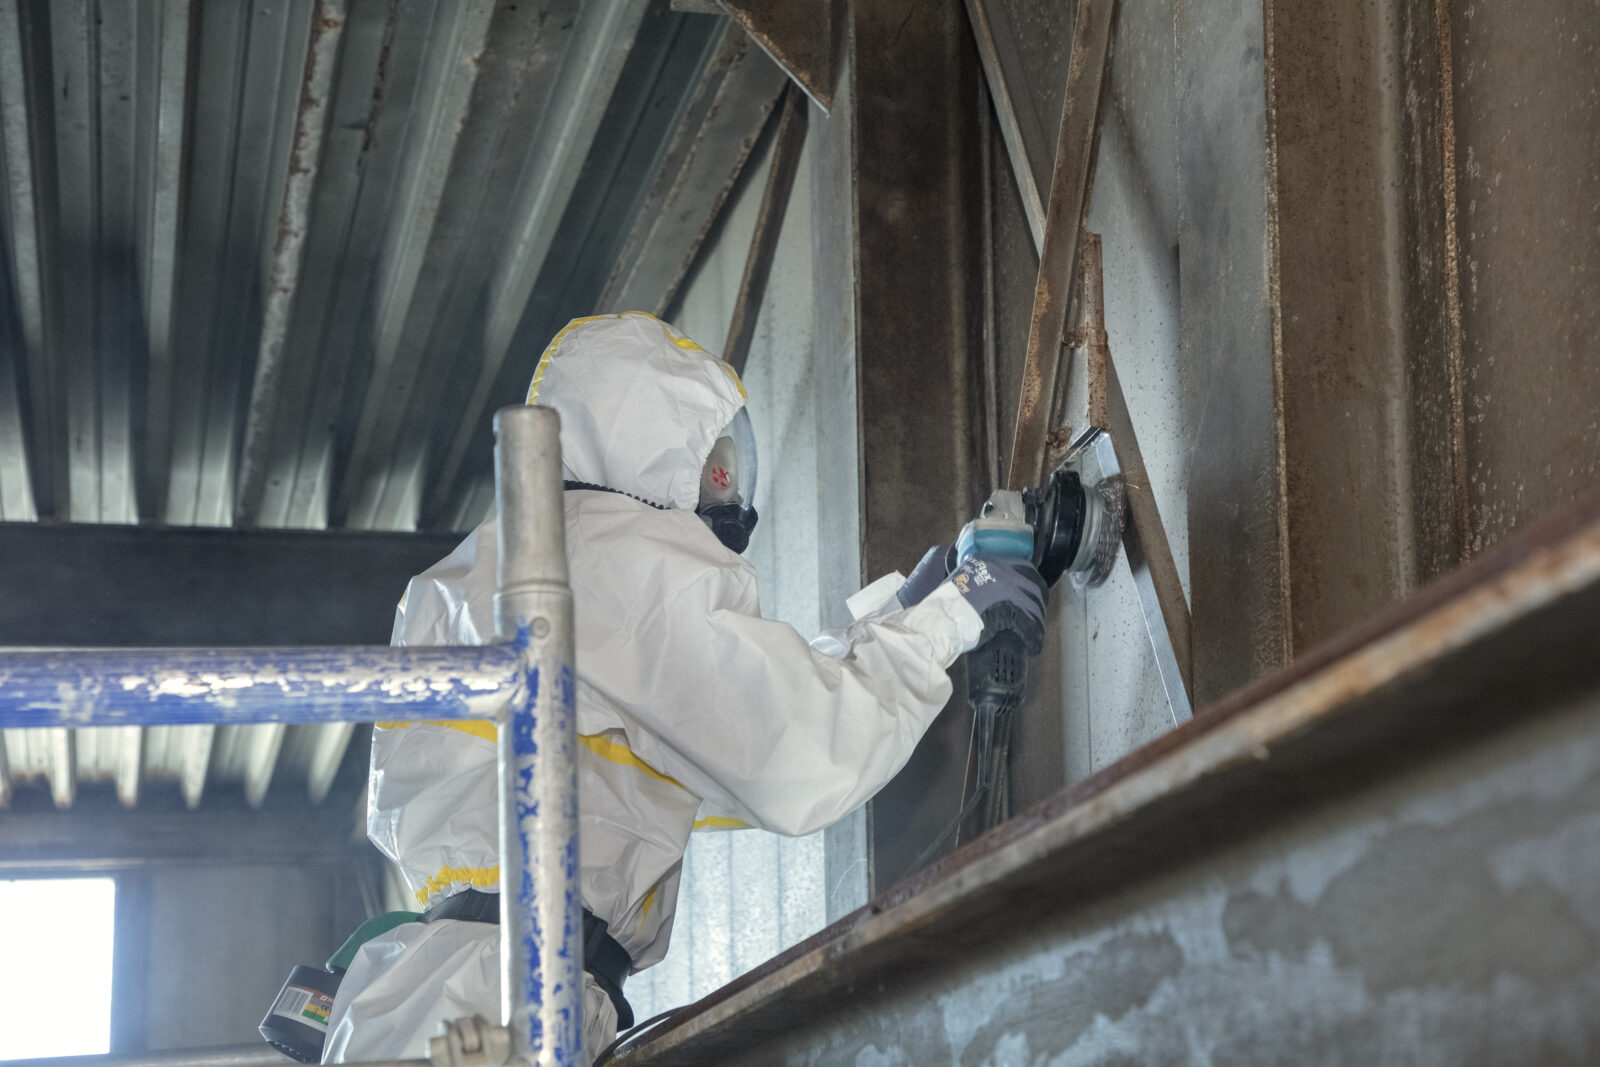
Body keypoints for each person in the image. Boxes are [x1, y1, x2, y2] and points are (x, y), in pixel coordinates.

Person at [321, 312, 1048, 1063]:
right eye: (710, 461)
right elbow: (795, 751)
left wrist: (900, 616)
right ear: (648, 454)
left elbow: (697, 737)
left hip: (453, 988)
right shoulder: (610, 558)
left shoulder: (502, 564)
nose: (724, 489)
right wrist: (952, 616)